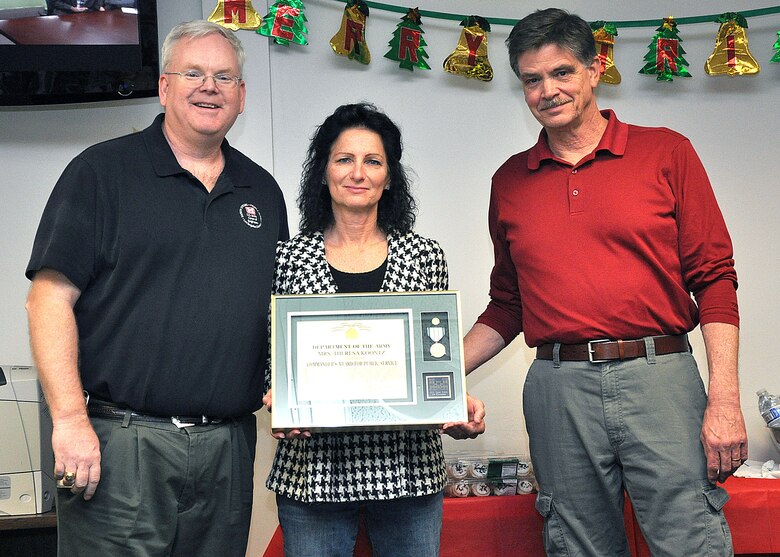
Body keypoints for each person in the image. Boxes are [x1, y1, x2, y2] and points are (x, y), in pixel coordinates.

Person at [463, 8, 747, 557]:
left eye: (562, 72)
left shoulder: (667, 152)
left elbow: (714, 280)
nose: (548, 90)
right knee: (576, 544)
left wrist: (725, 399)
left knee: (691, 539)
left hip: (660, 378)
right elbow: (507, 305)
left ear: (595, 69)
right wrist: (434, 375)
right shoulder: (510, 181)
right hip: (557, 387)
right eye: (532, 79)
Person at [25, 20, 288, 557]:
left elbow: (276, 314)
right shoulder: (100, 172)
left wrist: (289, 390)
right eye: (193, 72)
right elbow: (48, 300)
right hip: (120, 445)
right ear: (165, 86)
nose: (209, 87)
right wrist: (70, 421)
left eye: (224, 77)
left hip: (229, 449)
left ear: (242, 96)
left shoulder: (263, 190)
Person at [261, 102, 485, 557]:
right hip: (313, 471)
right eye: (344, 159)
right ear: (323, 173)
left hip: (408, 470)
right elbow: (270, 357)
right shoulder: (286, 257)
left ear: (389, 176)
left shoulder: (425, 256)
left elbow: (432, 359)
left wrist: (452, 399)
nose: (357, 173)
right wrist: (276, 394)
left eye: (373, 161)